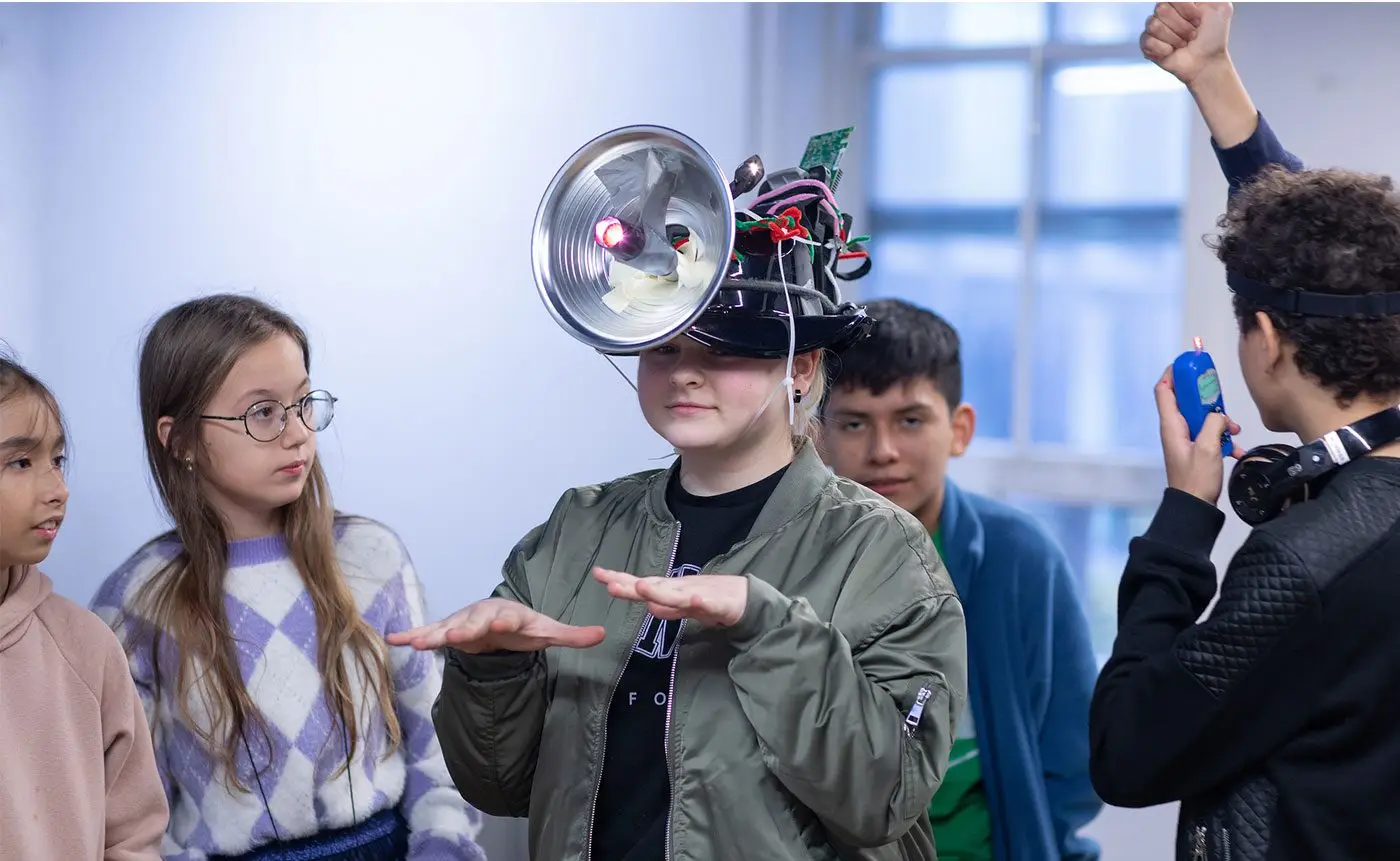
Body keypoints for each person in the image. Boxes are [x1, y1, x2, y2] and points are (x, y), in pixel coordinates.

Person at [391, 136, 969, 860]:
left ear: (802, 365)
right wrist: (495, 667)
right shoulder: (579, 527)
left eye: (724, 347)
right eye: (665, 346)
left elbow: (886, 795)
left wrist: (767, 625)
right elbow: (501, 788)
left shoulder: (882, 553)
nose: (686, 374)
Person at [1090, 3, 1400, 858]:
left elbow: (1127, 749)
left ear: (1262, 339)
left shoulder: (1308, 560)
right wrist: (1215, 82)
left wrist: (1184, 522)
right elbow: (1339, 263)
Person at [90, 295, 485, 861]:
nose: (298, 432)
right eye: (263, 412)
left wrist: (443, 846)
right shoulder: (137, 603)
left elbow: (435, 742)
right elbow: (132, 817)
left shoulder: (372, 559)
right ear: (178, 441)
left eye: (303, 403)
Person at [820, 299, 1102, 861]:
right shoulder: (795, 563)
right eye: (854, 423)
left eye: (911, 420)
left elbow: (1071, 761)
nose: (884, 452)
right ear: (817, 435)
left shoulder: (1019, 558)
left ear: (960, 429)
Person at [0, 353, 168, 860]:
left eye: (58, 460)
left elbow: (134, 837)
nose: (58, 490)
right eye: (20, 462)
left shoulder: (87, 648)